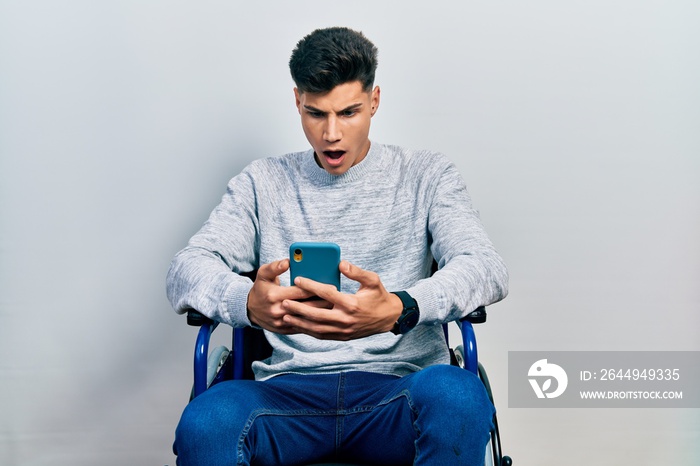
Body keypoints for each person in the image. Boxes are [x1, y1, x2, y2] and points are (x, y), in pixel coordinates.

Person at [167, 26, 508, 466]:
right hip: (286, 395)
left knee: (457, 395)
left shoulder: (426, 175)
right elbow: (186, 269)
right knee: (207, 421)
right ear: (297, 102)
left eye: (348, 113)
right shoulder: (262, 183)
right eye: (315, 113)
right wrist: (247, 302)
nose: (331, 134)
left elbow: (485, 266)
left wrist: (401, 307)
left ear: (374, 101)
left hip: (398, 391)